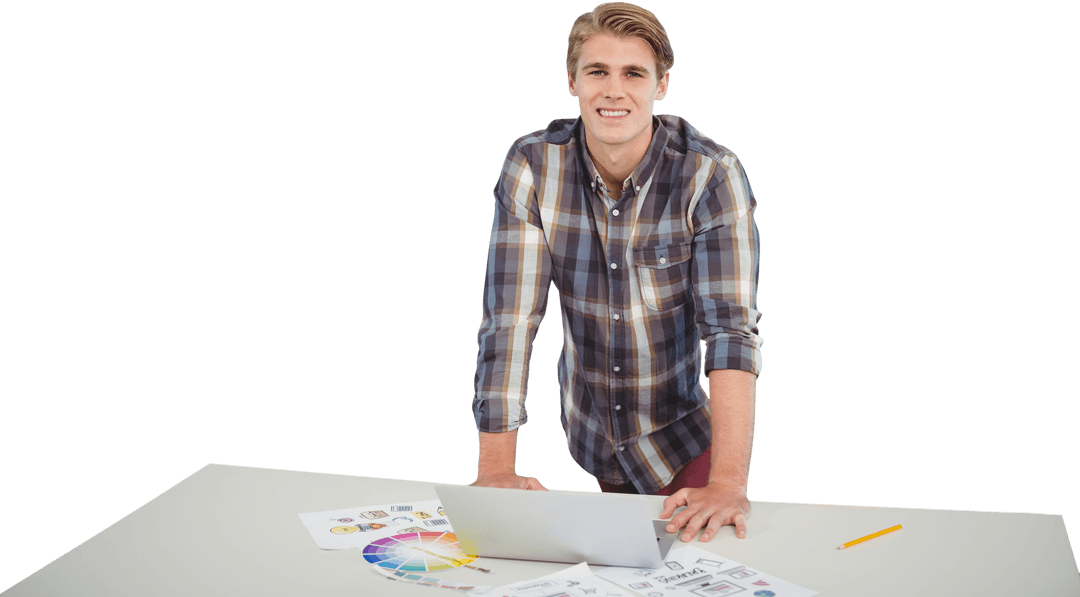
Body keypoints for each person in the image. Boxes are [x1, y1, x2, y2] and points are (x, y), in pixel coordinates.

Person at [471, 2, 762, 543]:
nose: (614, 90)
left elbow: (729, 334)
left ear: (661, 85)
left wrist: (727, 482)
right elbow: (510, 322)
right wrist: (495, 471)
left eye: (634, 73)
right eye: (597, 71)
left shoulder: (710, 173)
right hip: (595, 441)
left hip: (685, 447)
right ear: (572, 81)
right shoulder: (532, 165)